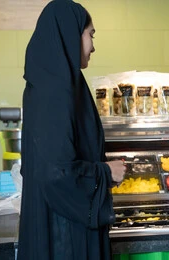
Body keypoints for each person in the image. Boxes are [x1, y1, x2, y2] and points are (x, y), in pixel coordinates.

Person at [17, 0, 126, 259]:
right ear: (69, 32)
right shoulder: (56, 92)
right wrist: (105, 171)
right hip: (64, 235)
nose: (93, 46)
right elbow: (56, 172)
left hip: (55, 225)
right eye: (90, 34)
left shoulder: (49, 83)